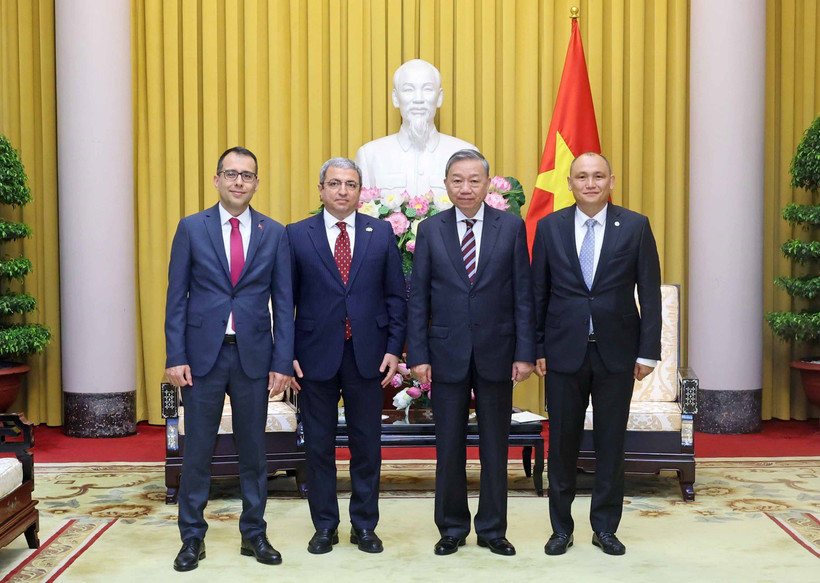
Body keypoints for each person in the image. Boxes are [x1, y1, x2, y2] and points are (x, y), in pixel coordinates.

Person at [164, 147, 295, 570]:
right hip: (202, 356)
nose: (239, 182)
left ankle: (254, 534)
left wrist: (282, 361)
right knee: (198, 450)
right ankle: (192, 538)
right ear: (217, 179)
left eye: (247, 175)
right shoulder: (191, 228)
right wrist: (175, 355)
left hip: (254, 356)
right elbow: (176, 298)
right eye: (231, 174)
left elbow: (284, 303)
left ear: (256, 183)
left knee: (254, 451)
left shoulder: (274, 233)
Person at [532, 152, 662, 557]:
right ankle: (561, 529)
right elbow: (537, 294)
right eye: (582, 177)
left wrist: (648, 353)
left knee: (610, 443)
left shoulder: (635, 226)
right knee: (562, 445)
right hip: (562, 352)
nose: (590, 183)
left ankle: (605, 528)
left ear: (611, 181)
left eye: (598, 176)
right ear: (569, 183)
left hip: (617, 353)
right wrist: (537, 348)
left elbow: (650, 293)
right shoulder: (550, 227)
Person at [406, 149, 535, 557]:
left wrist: (525, 352)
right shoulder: (430, 229)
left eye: (474, 180)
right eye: (457, 180)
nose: (466, 187)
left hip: (499, 350)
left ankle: (493, 529)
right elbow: (418, 299)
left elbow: (523, 294)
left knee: (495, 447)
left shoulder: (511, 227)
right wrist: (418, 355)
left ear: (487, 184)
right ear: (446, 184)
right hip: (446, 353)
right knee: (449, 447)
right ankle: (452, 528)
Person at [286, 157, 407, 555]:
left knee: (367, 446)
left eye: (350, 184)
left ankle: (364, 525)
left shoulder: (380, 232)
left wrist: (394, 348)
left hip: (368, 355)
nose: (342, 191)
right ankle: (325, 526)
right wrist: (286, 354)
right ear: (321, 189)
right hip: (313, 356)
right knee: (318, 447)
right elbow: (285, 301)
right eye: (335, 183)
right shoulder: (296, 234)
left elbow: (396, 297)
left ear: (360, 191)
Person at [355, 59, 477, 198]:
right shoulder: (370, 155)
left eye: (427, 89)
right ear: (395, 98)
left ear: (439, 97)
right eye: (408, 90)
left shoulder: (466, 153)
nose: (418, 99)